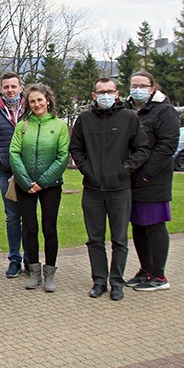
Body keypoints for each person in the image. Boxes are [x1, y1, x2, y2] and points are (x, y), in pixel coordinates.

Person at [70, 78, 150, 300]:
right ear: (94, 95)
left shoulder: (129, 118)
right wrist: (87, 170)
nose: (105, 95)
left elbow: (142, 149)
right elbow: (75, 148)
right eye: (100, 92)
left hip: (119, 189)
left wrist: (124, 170)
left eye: (109, 91)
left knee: (119, 239)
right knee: (95, 239)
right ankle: (99, 281)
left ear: (117, 94)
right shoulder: (84, 119)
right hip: (93, 189)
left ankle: (116, 281)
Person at [9, 83, 69, 292]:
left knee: (49, 228)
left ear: (48, 100)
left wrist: (43, 181)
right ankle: (34, 272)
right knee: (30, 228)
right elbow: (14, 153)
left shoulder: (60, 126)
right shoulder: (22, 126)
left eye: (40, 100)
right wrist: (26, 181)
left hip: (50, 185)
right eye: (32, 101)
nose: (36, 104)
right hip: (25, 185)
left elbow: (62, 156)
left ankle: (50, 272)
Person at [123, 71, 180, 292]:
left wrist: (147, 172)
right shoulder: (128, 109)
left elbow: (167, 145)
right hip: (132, 178)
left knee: (154, 225)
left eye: (142, 85)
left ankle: (159, 275)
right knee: (138, 225)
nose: (137, 89)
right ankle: (145, 269)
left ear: (152, 88)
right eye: (133, 85)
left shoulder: (164, 111)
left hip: (152, 179)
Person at [0, 71, 28, 278]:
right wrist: (0, 159)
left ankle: (31, 258)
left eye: (13, 86)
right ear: (1, 89)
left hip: (31, 173)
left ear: (21, 87)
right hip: (7, 174)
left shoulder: (32, 108)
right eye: (6, 87)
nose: (10, 90)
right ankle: (14, 259)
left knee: (30, 217)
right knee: (12, 217)